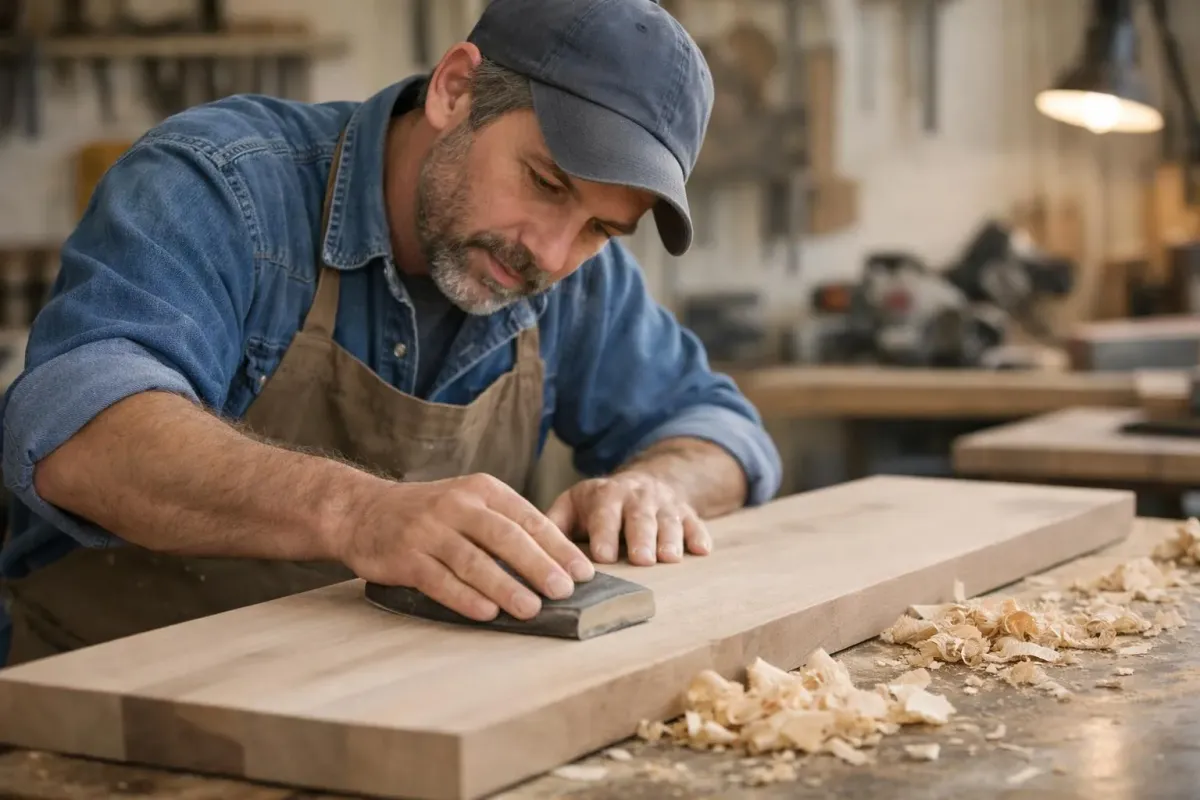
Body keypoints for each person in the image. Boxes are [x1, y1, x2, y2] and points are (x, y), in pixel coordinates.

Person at [0, 0, 781, 666]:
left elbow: (721, 430)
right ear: (455, 89)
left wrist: (657, 486)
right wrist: (357, 512)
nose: (549, 253)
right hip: (105, 709)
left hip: (377, 711)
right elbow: (78, 437)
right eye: (544, 183)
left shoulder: (578, 280)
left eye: (601, 230)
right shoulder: (222, 184)